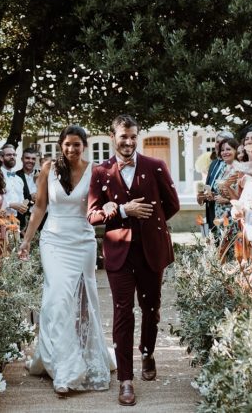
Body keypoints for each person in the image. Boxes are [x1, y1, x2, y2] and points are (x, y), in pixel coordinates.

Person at [87, 114, 180, 406]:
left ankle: (148, 352)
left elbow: (173, 205)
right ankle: (125, 379)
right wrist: (124, 211)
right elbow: (92, 216)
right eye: (123, 136)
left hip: (151, 250)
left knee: (151, 308)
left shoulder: (156, 166)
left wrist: (151, 223)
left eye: (133, 136)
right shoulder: (100, 172)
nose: (128, 142)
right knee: (122, 312)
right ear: (112, 136)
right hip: (119, 253)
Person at [18, 126, 115, 395]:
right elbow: (39, 207)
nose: (72, 149)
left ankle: (88, 354)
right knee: (58, 299)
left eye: (77, 144)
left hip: (83, 241)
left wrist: (108, 207)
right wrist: (27, 240)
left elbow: (103, 205)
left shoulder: (96, 171)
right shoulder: (49, 169)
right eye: (67, 144)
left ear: (85, 145)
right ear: (61, 145)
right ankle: (63, 368)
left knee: (84, 303)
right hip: (53, 240)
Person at [0, 143, 29, 219]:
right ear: (1, 158)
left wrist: (22, 207)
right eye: (8, 155)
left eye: (14, 155)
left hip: (15, 219)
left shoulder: (19, 179)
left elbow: (21, 201)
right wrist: (10, 204)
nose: (12, 157)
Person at [16, 147, 39, 232]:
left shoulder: (42, 174)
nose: (30, 161)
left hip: (41, 219)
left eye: (33, 159)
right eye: (27, 158)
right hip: (22, 220)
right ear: (22, 159)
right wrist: (29, 198)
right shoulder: (16, 176)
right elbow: (16, 200)